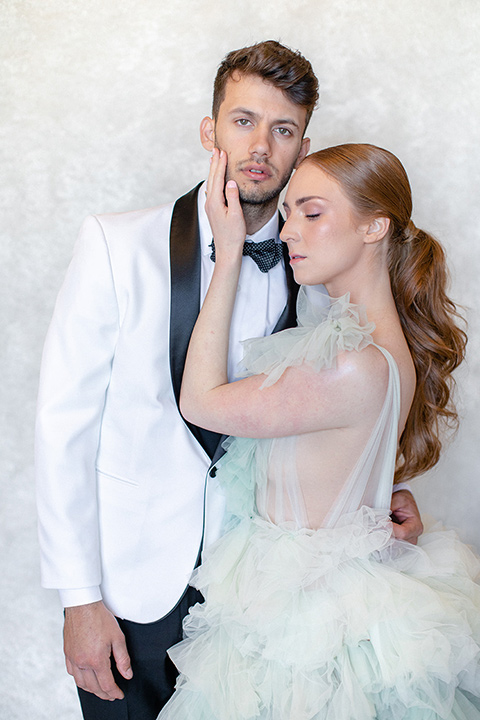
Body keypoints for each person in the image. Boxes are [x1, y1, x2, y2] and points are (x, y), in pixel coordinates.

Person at [35, 42, 423, 719]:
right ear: (209, 130)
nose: (260, 147)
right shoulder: (115, 245)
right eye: (243, 121)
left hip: (263, 606)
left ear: (305, 144)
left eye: (283, 129)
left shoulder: (321, 265)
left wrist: (378, 492)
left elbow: (333, 411)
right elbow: (62, 429)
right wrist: (78, 597)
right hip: (133, 595)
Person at [156, 145, 480, 719]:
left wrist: (227, 253)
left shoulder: (354, 362)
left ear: (374, 226)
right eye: (288, 214)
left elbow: (200, 401)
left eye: (311, 213)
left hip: (307, 629)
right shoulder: (364, 348)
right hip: (298, 606)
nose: (286, 233)